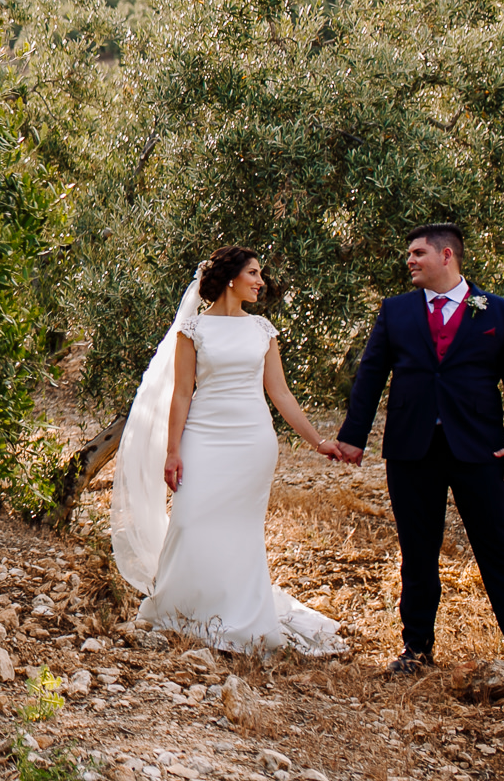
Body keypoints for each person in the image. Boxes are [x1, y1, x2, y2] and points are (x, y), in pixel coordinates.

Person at [333, 224, 504, 681]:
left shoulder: (498, 311)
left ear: (447, 256)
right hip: (411, 449)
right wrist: (353, 437)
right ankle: (416, 649)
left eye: (418, 253)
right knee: (417, 552)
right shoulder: (395, 311)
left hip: (480, 450)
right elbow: (370, 377)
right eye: (409, 254)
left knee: (500, 551)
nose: (410, 261)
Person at [111, 246, 348, 653]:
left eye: (260, 274)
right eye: (254, 273)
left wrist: (319, 441)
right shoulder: (193, 329)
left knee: (240, 530)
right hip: (203, 435)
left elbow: (282, 394)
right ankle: (183, 609)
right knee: (189, 520)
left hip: (252, 441)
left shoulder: (261, 330)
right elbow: (182, 394)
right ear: (231, 279)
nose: (260, 281)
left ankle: (241, 617)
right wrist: (172, 451)